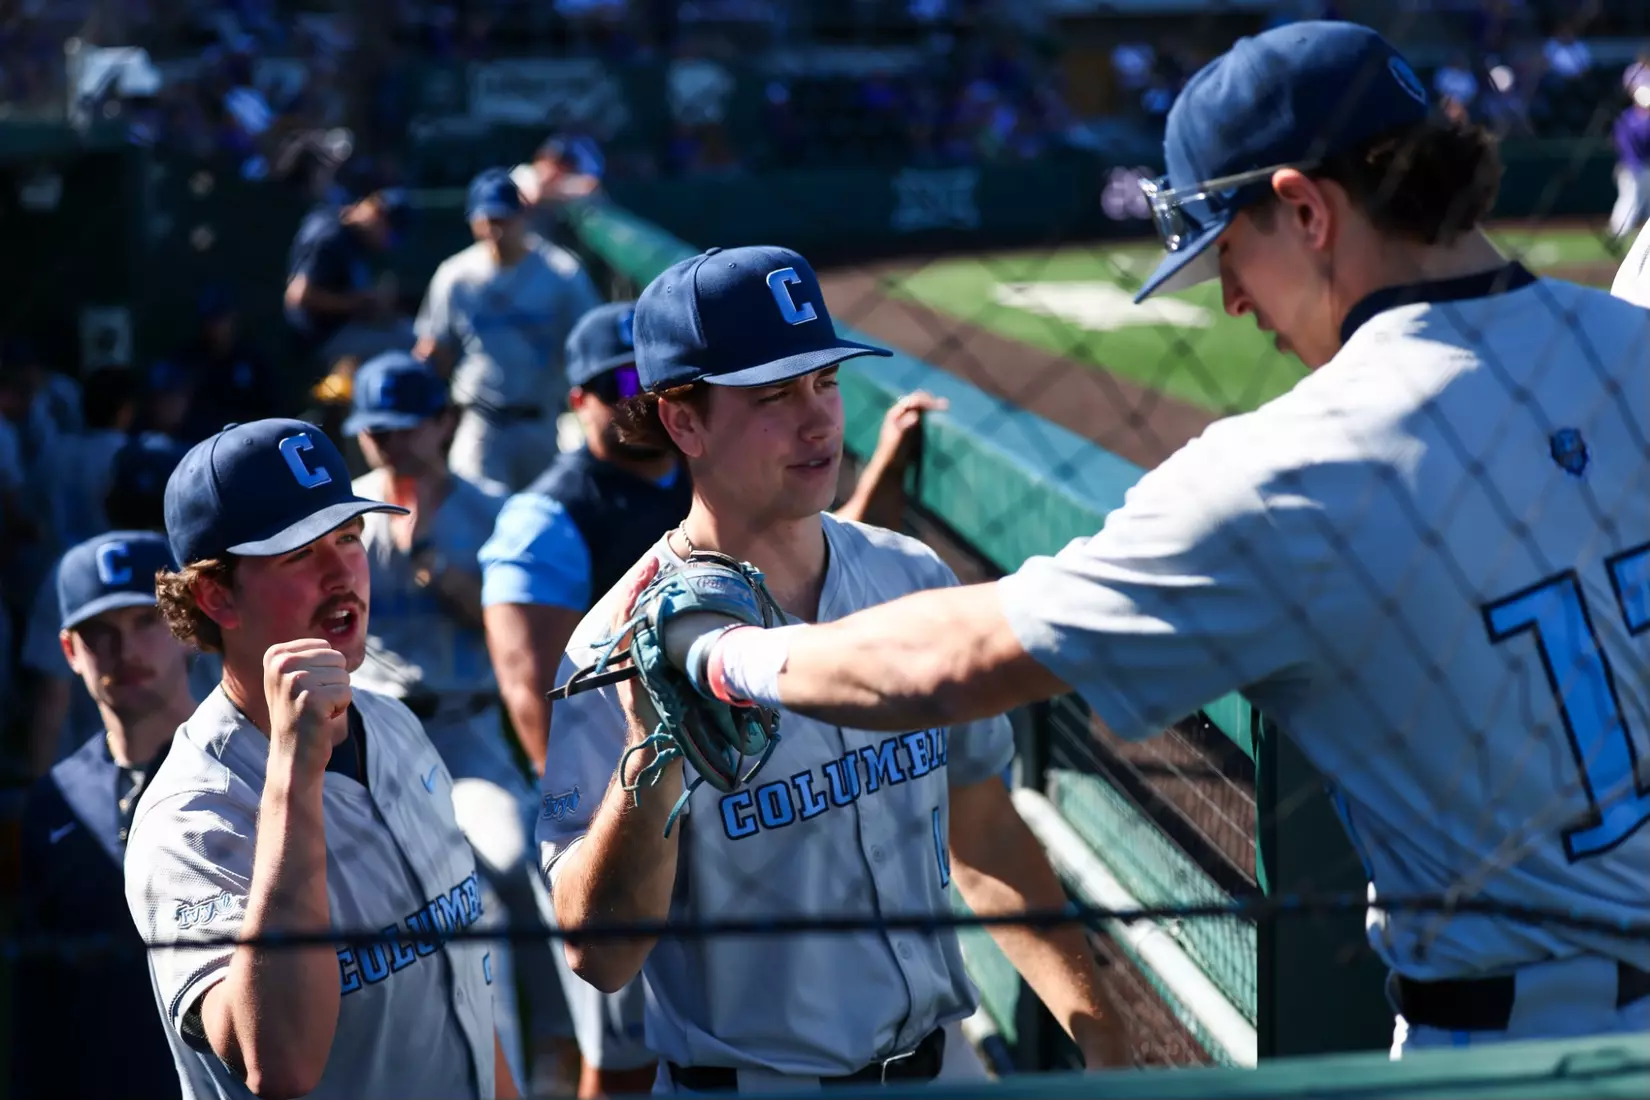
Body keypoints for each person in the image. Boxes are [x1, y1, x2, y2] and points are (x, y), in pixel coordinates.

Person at [667, 21, 1650, 1059]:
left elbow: (945, 664)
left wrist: (719, 651)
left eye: (1227, 252)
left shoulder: (1294, 467)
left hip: (1524, 1046)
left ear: (1305, 208)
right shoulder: (1630, 343)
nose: (1229, 299)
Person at [539, 244, 1126, 1094]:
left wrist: (1101, 1036)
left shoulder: (908, 577)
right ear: (683, 420)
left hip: (940, 1066)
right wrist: (650, 759)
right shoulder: (611, 651)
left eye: (824, 381)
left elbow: (985, 828)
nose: (818, 422)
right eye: (774, 395)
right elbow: (600, 956)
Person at [125, 418, 519, 1099]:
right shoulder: (189, 818)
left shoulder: (392, 723)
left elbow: (468, 1007)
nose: (343, 573)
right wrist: (292, 778)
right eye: (299, 553)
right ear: (215, 595)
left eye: (348, 538)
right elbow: (277, 1064)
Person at [482, 299, 949, 779]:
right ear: (580, 402)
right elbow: (537, 697)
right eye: (621, 383)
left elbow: (828, 542)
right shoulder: (545, 518)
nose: (639, 397)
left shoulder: (710, 471)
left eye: (653, 381)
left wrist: (886, 465)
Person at [343, 350, 581, 1095]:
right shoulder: (345, 517)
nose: (390, 445)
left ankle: (558, 1049)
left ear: (445, 423)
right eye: (375, 432)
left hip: (467, 731)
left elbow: (512, 634)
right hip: (371, 735)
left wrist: (437, 573)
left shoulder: (492, 511)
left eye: (405, 428)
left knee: (516, 865)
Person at [13, 531, 205, 1100]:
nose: (126, 652)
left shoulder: (249, 769)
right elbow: (36, 994)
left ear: (186, 628)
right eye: (101, 633)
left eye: (146, 622)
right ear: (70, 652)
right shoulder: (56, 801)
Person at [21, 433, 212, 776]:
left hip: (99, 773)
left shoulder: (72, 570)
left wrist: (45, 793)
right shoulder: (195, 571)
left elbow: (51, 699)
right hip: (198, 757)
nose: (127, 648)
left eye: (145, 621)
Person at [414, 167, 602, 492]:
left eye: (503, 219)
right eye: (487, 220)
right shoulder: (456, 275)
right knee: (474, 520)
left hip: (539, 419)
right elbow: (434, 347)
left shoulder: (561, 272)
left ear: (522, 215)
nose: (495, 230)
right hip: (480, 420)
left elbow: (593, 343)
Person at [284, 184, 414, 369]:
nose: (386, 244)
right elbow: (298, 295)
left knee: (406, 329)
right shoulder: (329, 234)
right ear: (377, 214)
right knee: (408, 341)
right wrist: (359, 303)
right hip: (318, 338)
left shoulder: (354, 237)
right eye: (389, 236)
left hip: (342, 329)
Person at [1609, 82, 1650, 243]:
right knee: (1630, 200)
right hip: (1634, 167)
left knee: (1635, 200)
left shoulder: (1626, 117)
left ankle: (1620, 233)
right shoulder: (1634, 119)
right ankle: (1618, 233)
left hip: (1635, 166)